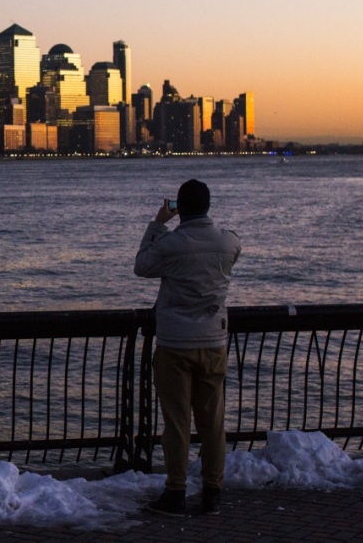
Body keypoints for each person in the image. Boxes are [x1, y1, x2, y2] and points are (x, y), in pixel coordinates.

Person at [134, 179, 241, 517]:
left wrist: (157, 223)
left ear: (179, 207)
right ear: (208, 205)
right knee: (213, 423)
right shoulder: (228, 243)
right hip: (213, 343)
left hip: (175, 344)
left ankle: (176, 492)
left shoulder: (172, 244)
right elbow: (229, 253)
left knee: (177, 423)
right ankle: (213, 491)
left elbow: (142, 266)